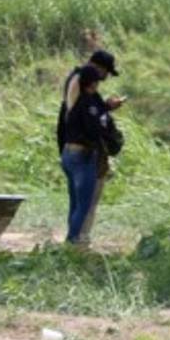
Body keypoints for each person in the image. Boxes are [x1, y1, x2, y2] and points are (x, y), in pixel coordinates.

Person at [56, 48, 124, 245]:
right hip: (83, 153)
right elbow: (90, 124)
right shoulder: (83, 93)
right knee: (84, 204)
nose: (103, 79)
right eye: (103, 75)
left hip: (70, 151)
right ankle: (75, 242)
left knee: (76, 203)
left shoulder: (83, 97)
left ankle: (76, 239)